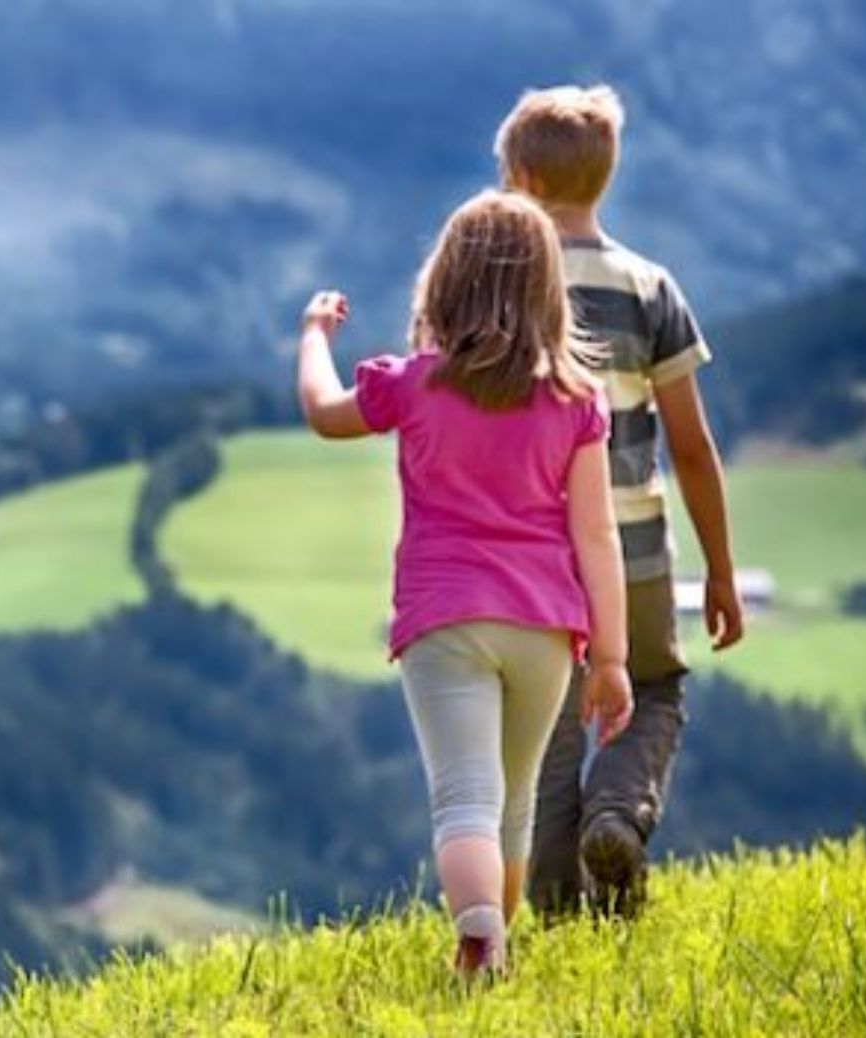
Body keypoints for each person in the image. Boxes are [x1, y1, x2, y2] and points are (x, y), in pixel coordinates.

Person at [294, 189, 634, 978]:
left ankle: (478, 932)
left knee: (463, 797)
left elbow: (321, 410)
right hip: (546, 625)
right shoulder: (576, 402)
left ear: (442, 286)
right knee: (514, 802)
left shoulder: (411, 384)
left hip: (442, 619)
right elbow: (596, 533)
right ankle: (495, 948)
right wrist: (611, 658)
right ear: (548, 294)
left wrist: (313, 335)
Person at [493, 84, 745, 919]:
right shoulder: (649, 285)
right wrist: (721, 571)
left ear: (521, 179)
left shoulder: (500, 287)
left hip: (532, 557)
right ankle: (619, 814)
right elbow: (693, 447)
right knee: (655, 688)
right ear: (606, 175)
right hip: (635, 548)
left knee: (552, 735)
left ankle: (564, 912)